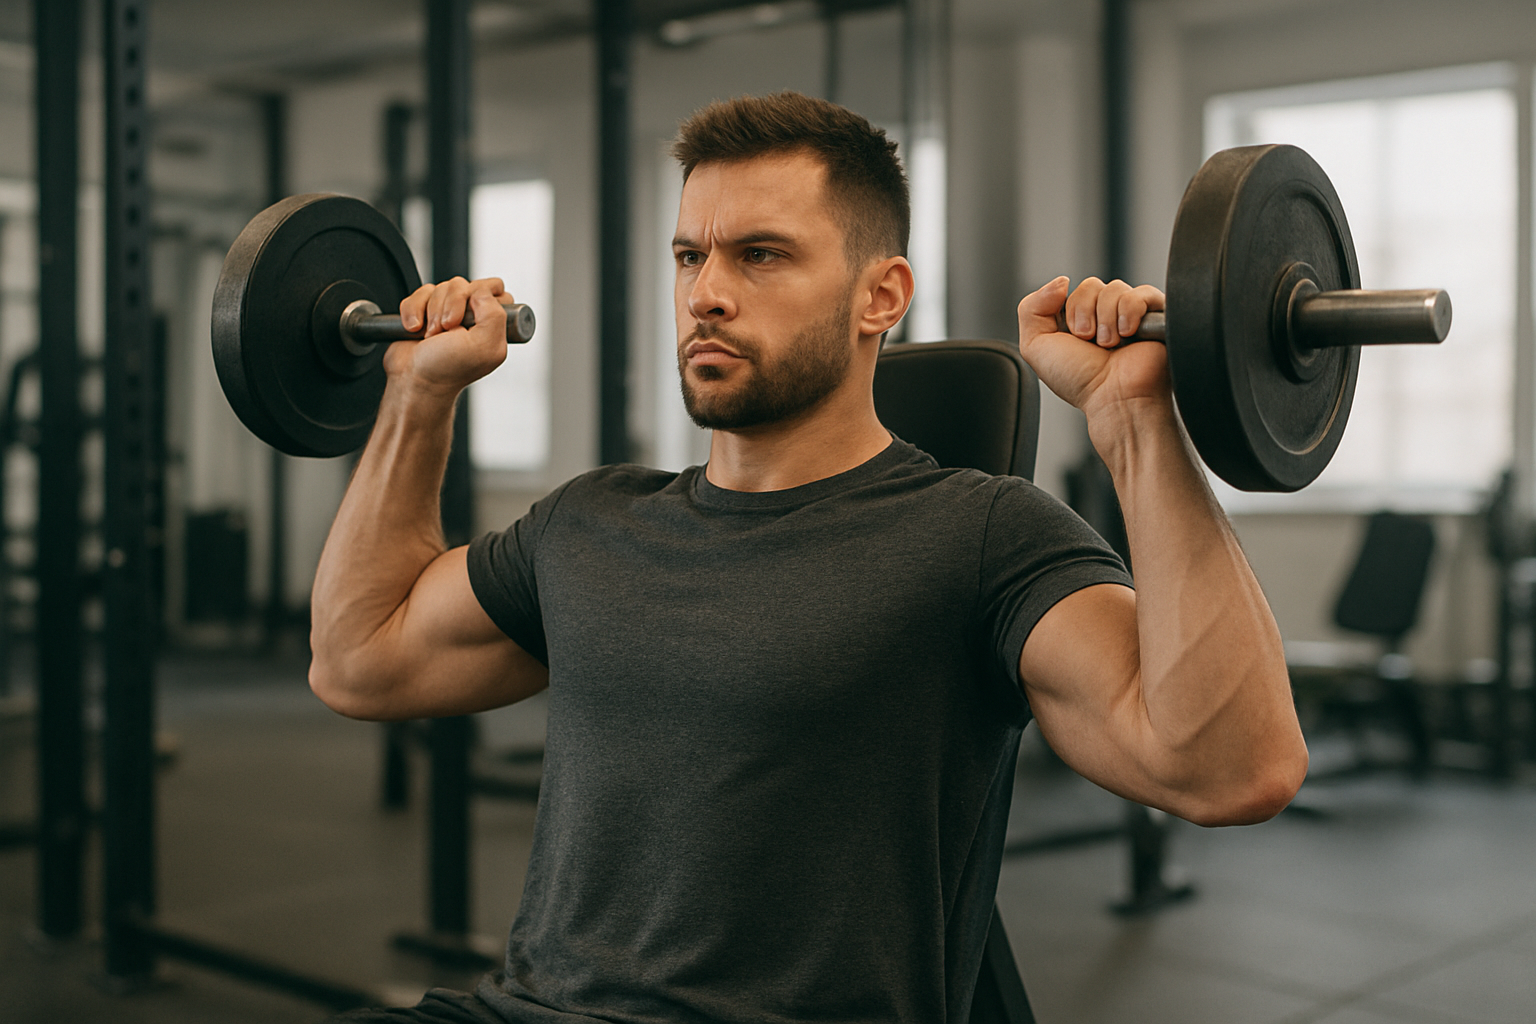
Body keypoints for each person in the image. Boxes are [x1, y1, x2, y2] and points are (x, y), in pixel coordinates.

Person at [310, 91, 1308, 1024]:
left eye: (760, 256)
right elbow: (360, 658)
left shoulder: (976, 535)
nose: (706, 294)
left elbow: (1230, 769)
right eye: (689, 255)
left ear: (883, 296)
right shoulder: (588, 521)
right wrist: (417, 392)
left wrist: (1135, 420)